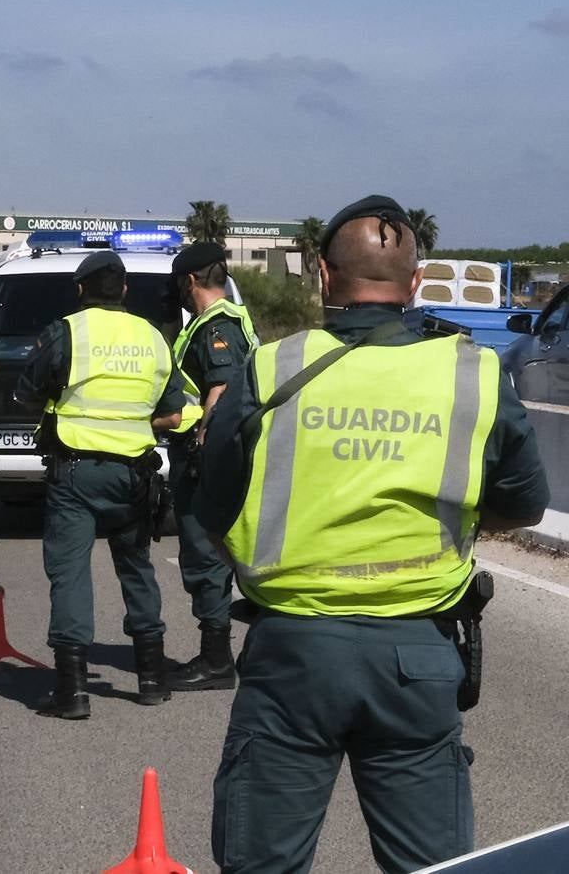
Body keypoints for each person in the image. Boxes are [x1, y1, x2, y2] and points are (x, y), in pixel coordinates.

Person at [199, 195, 549, 873]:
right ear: (414, 283)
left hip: (291, 657)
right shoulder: (471, 372)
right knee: (431, 866)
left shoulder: (271, 367)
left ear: (324, 279)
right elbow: (524, 504)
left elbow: (213, 511)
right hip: (416, 660)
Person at [15, 250, 187, 719]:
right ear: (125, 290)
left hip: (75, 472)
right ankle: (151, 680)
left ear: (80, 290)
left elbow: (27, 392)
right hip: (134, 473)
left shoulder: (67, 331)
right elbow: (173, 409)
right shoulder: (152, 337)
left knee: (70, 574)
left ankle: (72, 692)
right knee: (136, 568)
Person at [164, 242, 259, 691]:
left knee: (205, 556)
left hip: (206, 459)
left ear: (191, 281)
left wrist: (202, 444)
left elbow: (220, 388)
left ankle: (216, 659)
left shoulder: (217, 326)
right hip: (222, 454)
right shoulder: (231, 319)